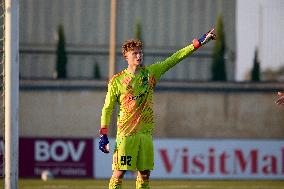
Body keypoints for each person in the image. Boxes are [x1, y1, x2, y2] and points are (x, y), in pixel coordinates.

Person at [99, 28, 216, 189]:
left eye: (140, 52)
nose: (139, 56)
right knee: (119, 173)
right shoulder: (116, 81)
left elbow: (174, 58)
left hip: (145, 133)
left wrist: (198, 43)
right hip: (126, 134)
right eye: (135, 53)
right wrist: (103, 135)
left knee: (145, 174)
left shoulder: (151, 73)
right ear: (126, 57)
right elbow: (107, 108)